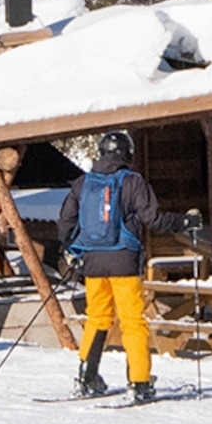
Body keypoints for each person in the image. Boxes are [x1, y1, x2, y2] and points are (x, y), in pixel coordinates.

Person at [65, 131, 161, 403]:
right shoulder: (133, 181)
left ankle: (86, 378)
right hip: (124, 262)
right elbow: (152, 218)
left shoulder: (83, 183)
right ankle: (139, 382)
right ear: (127, 153)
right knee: (132, 322)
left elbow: (66, 221)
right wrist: (183, 224)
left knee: (97, 318)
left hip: (93, 263)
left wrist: (70, 250)